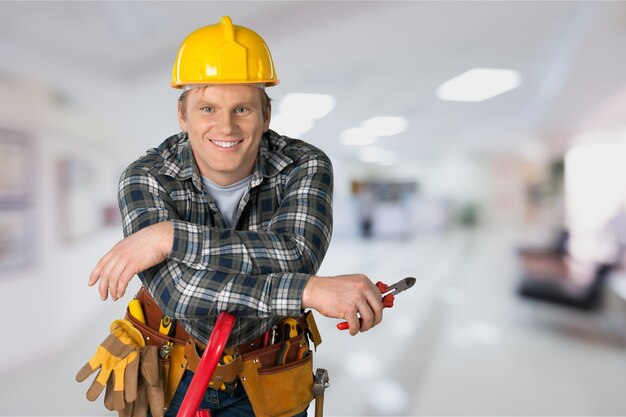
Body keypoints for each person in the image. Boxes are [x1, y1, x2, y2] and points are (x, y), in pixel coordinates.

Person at [87, 16, 384, 416]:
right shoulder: (146, 176)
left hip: (271, 365)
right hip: (172, 370)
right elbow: (179, 293)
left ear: (265, 116)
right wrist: (305, 291)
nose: (225, 126)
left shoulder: (304, 165)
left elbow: (295, 254)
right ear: (183, 116)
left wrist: (172, 237)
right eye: (207, 107)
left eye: (242, 108)